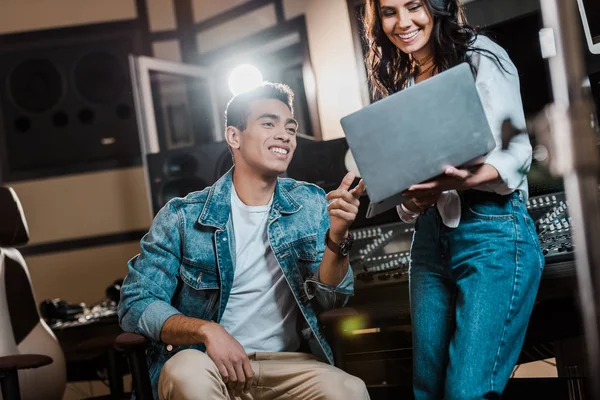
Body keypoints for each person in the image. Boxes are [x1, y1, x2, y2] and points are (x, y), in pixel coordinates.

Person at [118, 82, 370, 400]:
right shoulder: (182, 216)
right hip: (209, 366)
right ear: (234, 136)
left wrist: (338, 235)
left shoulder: (311, 202)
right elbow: (136, 303)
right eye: (268, 124)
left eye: (290, 128)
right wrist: (206, 330)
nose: (285, 135)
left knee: (350, 390)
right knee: (185, 374)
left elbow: (334, 299)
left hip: (290, 365)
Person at [362, 1, 544, 399]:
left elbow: (517, 155)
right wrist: (406, 194)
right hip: (428, 242)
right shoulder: (402, 80)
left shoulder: (481, 55)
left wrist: (460, 182)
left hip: (492, 231)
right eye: (389, 12)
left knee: (467, 392)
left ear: (438, 7)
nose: (403, 22)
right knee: (427, 390)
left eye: (413, 7)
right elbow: (409, 206)